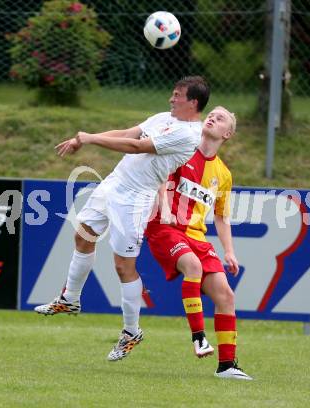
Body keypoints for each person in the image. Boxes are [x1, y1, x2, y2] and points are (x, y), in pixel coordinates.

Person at [34, 76, 211, 361]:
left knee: (122, 265)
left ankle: (132, 332)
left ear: (193, 102)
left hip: (135, 197)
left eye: (177, 95)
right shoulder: (163, 117)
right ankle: (70, 299)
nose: (171, 99)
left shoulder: (190, 133)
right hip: (114, 183)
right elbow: (129, 133)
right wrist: (86, 137)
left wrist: (90, 139)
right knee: (83, 234)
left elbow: (137, 147)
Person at [144, 106, 252, 380]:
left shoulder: (223, 174)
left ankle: (227, 365)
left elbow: (221, 216)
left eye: (222, 117)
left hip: (196, 236)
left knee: (226, 295)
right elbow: (159, 176)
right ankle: (199, 337)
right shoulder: (184, 150)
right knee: (192, 266)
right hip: (165, 228)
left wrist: (229, 251)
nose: (213, 116)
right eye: (212, 113)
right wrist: (165, 207)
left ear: (227, 134)